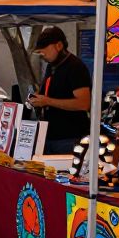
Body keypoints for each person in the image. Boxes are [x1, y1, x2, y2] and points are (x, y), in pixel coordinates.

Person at [28, 26, 92, 154]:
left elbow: (83, 103)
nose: (43, 55)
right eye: (40, 52)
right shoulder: (51, 67)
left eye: (45, 51)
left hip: (69, 137)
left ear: (59, 45)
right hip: (49, 136)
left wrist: (47, 101)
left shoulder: (75, 67)